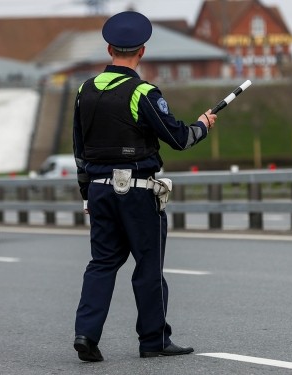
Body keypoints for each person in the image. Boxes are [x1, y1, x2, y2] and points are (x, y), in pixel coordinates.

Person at [72, 11, 217, 362]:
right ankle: (153, 339)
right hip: (138, 192)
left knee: (102, 263)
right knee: (148, 266)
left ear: (109, 49)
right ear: (142, 51)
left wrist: (87, 194)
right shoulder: (142, 92)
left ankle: (86, 334)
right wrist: (202, 125)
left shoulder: (84, 90)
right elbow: (177, 138)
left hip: (100, 191)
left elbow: (79, 149)